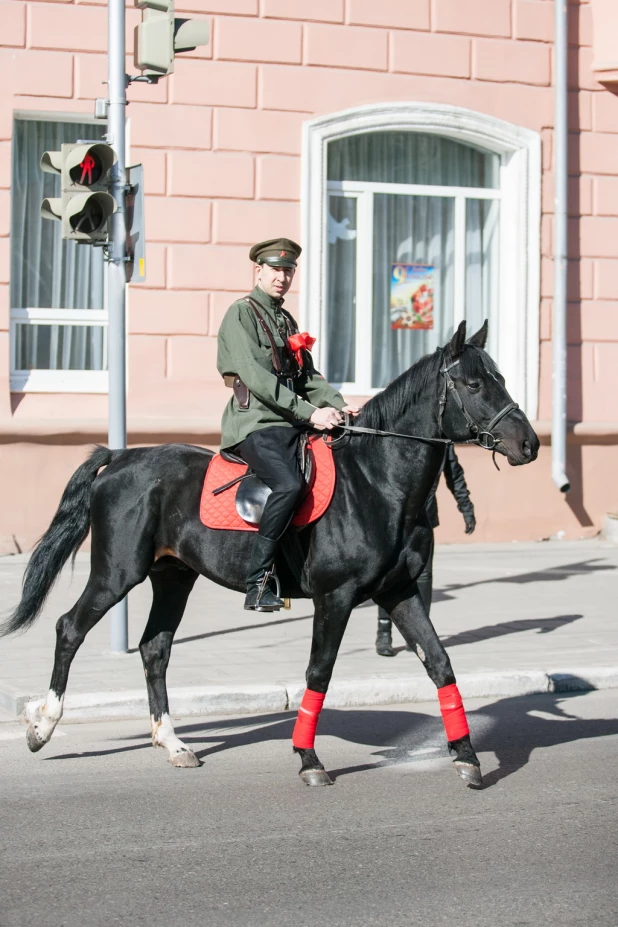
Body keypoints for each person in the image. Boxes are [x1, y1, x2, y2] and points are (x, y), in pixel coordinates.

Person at [217, 237, 360, 612]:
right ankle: (258, 580)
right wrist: (312, 413)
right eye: (276, 269)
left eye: (288, 270)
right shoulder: (242, 313)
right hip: (255, 424)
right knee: (289, 483)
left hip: (289, 423)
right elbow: (256, 378)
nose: (282, 277)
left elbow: (306, 376)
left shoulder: (284, 319)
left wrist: (339, 404)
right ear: (258, 270)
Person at [375, 444, 475, 656]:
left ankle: (420, 635)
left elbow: (454, 475)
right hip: (393, 520)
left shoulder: (443, 444)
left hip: (425, 520)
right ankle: (384, 632)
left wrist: (466, 509)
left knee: (424, 575)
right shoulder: (402, 438)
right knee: (387, 576)